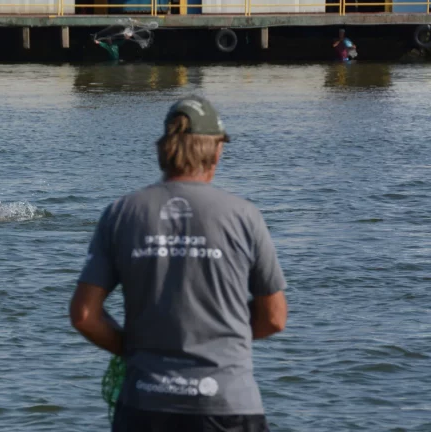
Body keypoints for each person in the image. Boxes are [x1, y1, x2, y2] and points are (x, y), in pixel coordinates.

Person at [70, 96, 288, 432]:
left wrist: (138, 350)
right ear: (216, 151)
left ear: (165, 148)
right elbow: (274, 318)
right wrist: (221, 342)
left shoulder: (122, 213)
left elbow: (85, 315)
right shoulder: (244, 216)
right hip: (227, 403)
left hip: (145, 403)